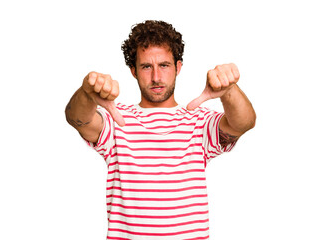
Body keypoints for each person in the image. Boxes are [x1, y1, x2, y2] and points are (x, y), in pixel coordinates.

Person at [65, 20, 256, 240]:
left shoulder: (198, 121)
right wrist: (87, 93)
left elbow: (243, 124)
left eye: (164, 65)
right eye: (146, 66)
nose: (156, 77)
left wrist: (228, 90)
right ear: (133, 71)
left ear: (178, 67)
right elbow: (77, 118)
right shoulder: (117, 120)